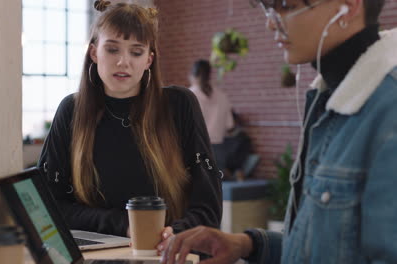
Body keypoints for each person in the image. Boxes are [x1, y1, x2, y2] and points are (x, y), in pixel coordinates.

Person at [162, 0, 397, 263]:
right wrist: (247, 244)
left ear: (349, 6)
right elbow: (321, 247)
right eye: (270, 9)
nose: (271, 22)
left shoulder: (388, 113)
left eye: (286, 6)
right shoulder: (324, 96)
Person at [37, 1, 222, 255]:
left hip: (170, 253)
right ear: (94, 53)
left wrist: (176, 232)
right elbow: (47, 207)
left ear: (149, 59)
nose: (123, 62)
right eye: (112, 50)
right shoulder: (71, 110)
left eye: (136, 52)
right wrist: (124, 225)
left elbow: (208, 207)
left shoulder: (179, 105)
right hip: (100, 256)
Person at [188, 60, 235, 172]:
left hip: (196, 149)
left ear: (192, 75)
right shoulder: (222, 96)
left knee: (197, 187)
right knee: (218, 186)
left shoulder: (188, 95)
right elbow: (230, 126)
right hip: (218, 149)